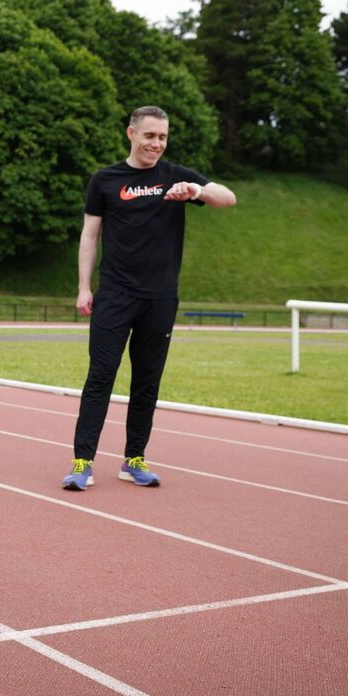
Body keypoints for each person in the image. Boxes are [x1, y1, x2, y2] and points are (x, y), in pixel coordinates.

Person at [62, 106, 236, 491]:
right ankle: (82, 462)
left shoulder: (176, 177)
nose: (156, 144)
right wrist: (83, 287)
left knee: (147, 381)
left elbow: (228, 198)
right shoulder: (105, 180)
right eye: (149, 136)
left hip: (160, 298)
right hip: (115, 295)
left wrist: (198, 191)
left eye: (162, 137)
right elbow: (89, 236)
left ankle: (133, 460)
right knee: (100, 377)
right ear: (131, 133)